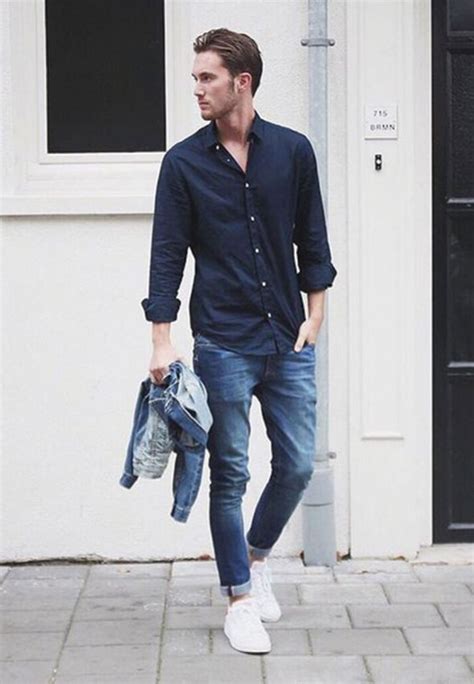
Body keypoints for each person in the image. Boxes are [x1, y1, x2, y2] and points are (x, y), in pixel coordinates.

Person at [141, 27, 337, 654]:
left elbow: (313, 237)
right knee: (229, 473)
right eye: (195, 78)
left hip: (288, 337)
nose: (197, 89)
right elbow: (167, 256)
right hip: (223, 342)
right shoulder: (183, 164)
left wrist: (316, 314)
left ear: (241, 82)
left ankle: (254, 557)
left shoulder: (293, 152)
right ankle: (240, 600)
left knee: (298, 465)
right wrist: (162, 341)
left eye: (208, 78)